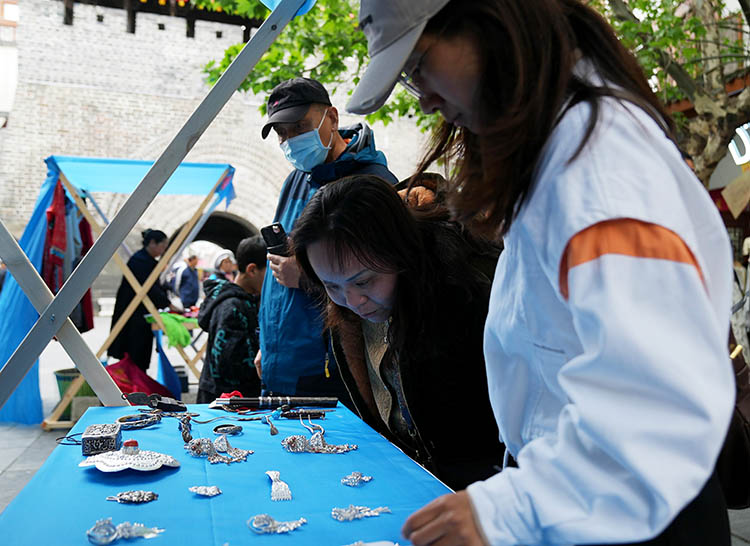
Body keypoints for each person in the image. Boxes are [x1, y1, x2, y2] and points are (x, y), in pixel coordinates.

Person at [348, 1, 734, 544]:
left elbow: (658, 403)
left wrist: (510, 510)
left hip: (630, 510)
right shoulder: (563, 155)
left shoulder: (600, 171)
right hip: (592, 498)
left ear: (493, 22)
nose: (427, 97)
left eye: (420, 66)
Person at [291, 174, 504, 490]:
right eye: (331, 285)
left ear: (400, 252)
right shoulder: (348, 316)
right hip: (418, 487)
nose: (353, 302)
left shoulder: (467, 297)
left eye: (364, 281)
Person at [256, 77, 398, 399]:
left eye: (299, 126)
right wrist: (268, 343)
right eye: (282, 133)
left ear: (331, 118)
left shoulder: (371, 184)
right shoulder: (296, 180)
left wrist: (305, 276)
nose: (290, 140)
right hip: (284, 362)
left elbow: (383, 280)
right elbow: (277, 275)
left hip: (333, 368)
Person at [196, 236, 266, 403]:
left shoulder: (246, 300)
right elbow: (228, 364)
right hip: (225, 402)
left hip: (233, 399)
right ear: (252, 270)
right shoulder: (231, 307)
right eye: (269, 272)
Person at [109, 229, 175, 372]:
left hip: (141, 313)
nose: (163, 250)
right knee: (134, 354)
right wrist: (168, 304)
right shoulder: (140, 261)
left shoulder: (145, 260)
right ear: (152, 243)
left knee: (140, 355)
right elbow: (150, 288)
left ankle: (138, 385)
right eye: (162, 246)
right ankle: (134, 387)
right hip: (133, 315)